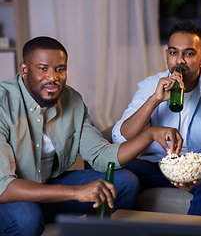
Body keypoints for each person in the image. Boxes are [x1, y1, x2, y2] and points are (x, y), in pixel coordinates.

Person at [0, 36, 182, 236]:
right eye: (43, 68)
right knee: (27, 216)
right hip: (10, 197)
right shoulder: (3, 103)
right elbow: (4, 186)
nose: (53, 77)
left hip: (48, 186)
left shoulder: (72, 100)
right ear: (24, 70)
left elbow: (102, 156)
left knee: (124, 183)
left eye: (60, 69)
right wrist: (77, 192)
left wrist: (149, 134)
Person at [112, 19, 201, 216]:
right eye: (173, 52)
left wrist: (194, 172)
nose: (179, 60)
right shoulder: (150, 85)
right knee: (117, 178)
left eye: (189, 53)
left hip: (200, 167)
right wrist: (154, 99)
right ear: (166, 55)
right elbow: (120, 137)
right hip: (156, 164)